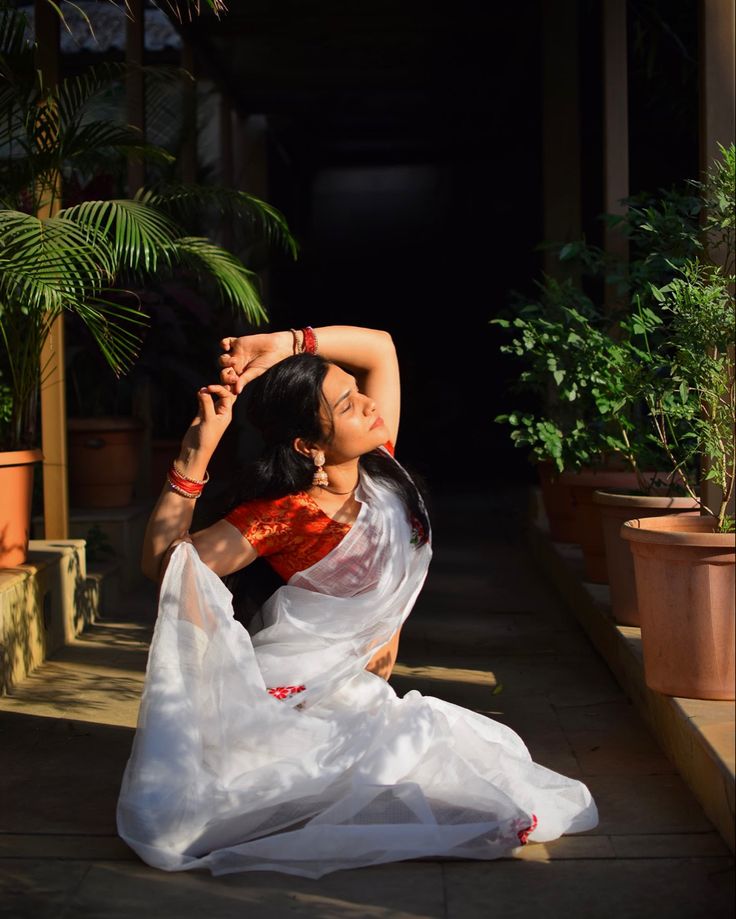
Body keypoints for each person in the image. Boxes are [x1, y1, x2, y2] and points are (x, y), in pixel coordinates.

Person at [117, 325, 598, 879]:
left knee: (467, 760)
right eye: (347, 404)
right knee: (426, 751)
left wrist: (286, 344)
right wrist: (193, 456)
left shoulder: (380, 473)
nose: (369, 405)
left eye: (356, 391)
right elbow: (168, 567)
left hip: (357, 688)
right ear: (309, 445)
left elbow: (381, 348)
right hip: (302, 696)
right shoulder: (286, 516)